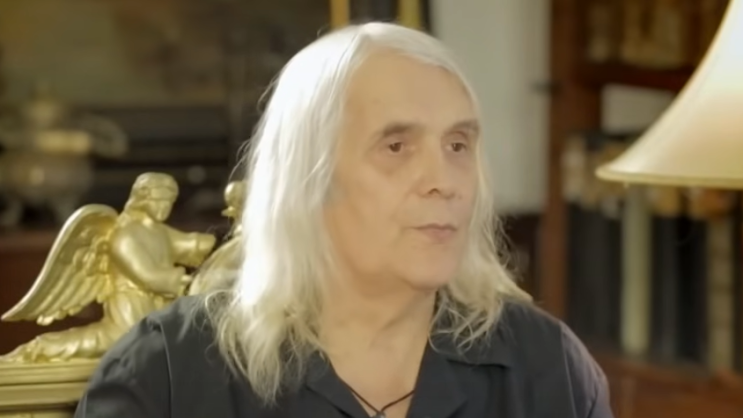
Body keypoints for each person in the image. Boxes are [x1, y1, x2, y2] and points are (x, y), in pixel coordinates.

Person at [74, 22, 613, 418]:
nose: (444, 180)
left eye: (457, 144)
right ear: (307, 177)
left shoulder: (549, 370)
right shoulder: (167, 374)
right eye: (397, 146)